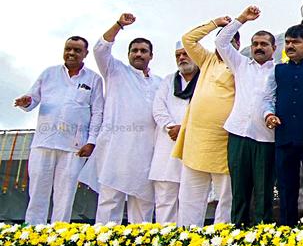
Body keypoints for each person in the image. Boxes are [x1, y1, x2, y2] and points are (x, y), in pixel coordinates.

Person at [82, 14, 161, 224]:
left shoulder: (160, 83)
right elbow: (100, 49)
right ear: (127, 54)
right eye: (134, 50)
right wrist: (118, 25)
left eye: (143, 51)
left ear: (151, 56)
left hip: (146, 149)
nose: (138, 54)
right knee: (110, 198)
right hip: (115, 147)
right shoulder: (115, 71)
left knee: (143, 200)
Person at [15, 37, 104, 224]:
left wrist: (91, 141)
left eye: (77, 50)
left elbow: (98, 112)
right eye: (68, 49)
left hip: (74, 147)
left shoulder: (94, 79)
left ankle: (58, 237)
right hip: (44, 142)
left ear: (85, 54)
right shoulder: (49, 73)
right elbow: (33, 98)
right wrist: (27, 101)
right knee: (38, 190)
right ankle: (32, 234)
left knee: (65, 195)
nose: (71, 53)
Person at [173, 17, 238, 226]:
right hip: (197, 140)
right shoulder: (207, 60)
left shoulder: (242, 66)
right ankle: (187, 239)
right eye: (222, 41)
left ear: (238, 45)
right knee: (190, 196)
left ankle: (221, 241)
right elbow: (187, 39)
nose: (225, 46)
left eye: (231, 41)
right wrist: (215, 24)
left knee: (226, 198)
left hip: (225, 141)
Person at [216, 6, 277, 226]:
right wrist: (241, 19)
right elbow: (221, 42)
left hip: (266, 138)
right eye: (255, 44)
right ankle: (238, 234)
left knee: (264, 190)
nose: (259, 48)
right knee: (239, 189)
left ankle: (263, 236)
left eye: (264, 44)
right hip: (238, 134)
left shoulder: (278, 71)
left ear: (274, 48)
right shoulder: (240, 64)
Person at [263, 24, 303, 226]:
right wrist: (269, 114)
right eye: (288, 42)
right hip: (284, 137)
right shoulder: (279, 70)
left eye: (295, 42)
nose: (290, 46)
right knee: (285, 187)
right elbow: (268, 98)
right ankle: (286, 231)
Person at [149, 42, 195, 224]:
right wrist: (170, 126)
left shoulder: (206, 80)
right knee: (164, 199)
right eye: (178, 55)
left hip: (193, 144)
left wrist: (184, 129)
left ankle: (188, 244)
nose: (182, 58)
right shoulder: (168, 81)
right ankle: (164, 242)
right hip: (167, 144)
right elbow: (158, 108)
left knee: (190, 199)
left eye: (186, 54)